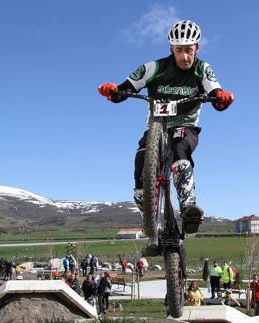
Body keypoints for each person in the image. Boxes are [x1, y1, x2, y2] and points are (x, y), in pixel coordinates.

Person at [98, 19, 234, 256]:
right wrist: (113, 91)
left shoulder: (202, 69)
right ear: (171, 48)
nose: (184, 57)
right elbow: (127, 87)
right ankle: (153, 227)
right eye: (180, 50)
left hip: (185, 126)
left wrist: (221, 98)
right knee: (140, 163)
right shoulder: (154, 67)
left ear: (197, 48)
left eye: (189, 50)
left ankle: (188, 208)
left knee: (180, 150)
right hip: (156, 128)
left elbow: (215, 92)